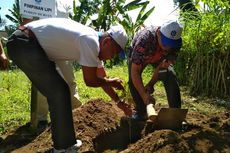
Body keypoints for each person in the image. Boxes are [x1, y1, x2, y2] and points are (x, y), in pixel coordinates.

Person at [6, 18, 131, 152]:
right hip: (24, 43)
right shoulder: (90, 41)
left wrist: (119, 102)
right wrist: (111, 81)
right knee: (58, 92)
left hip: (27, 43)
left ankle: (65, 144)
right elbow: (90, 80)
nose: (111, 57)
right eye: (113, 53)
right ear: (107, 42)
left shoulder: (94, 44)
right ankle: (62, 148)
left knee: (60, 91)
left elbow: (101, 79)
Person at [128, 20, 183, 121]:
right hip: (141, 53)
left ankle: (176, 115)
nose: (168, 48)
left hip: (157, 57)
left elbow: (162, 67)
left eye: (171, 45)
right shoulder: (144, 40)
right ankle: (141, 112)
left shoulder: (174, 46)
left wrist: (151, 84)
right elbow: (135, 72)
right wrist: (145, 96)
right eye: (165, 44)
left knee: (170, 74)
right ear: (158, 33)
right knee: (133, 81)